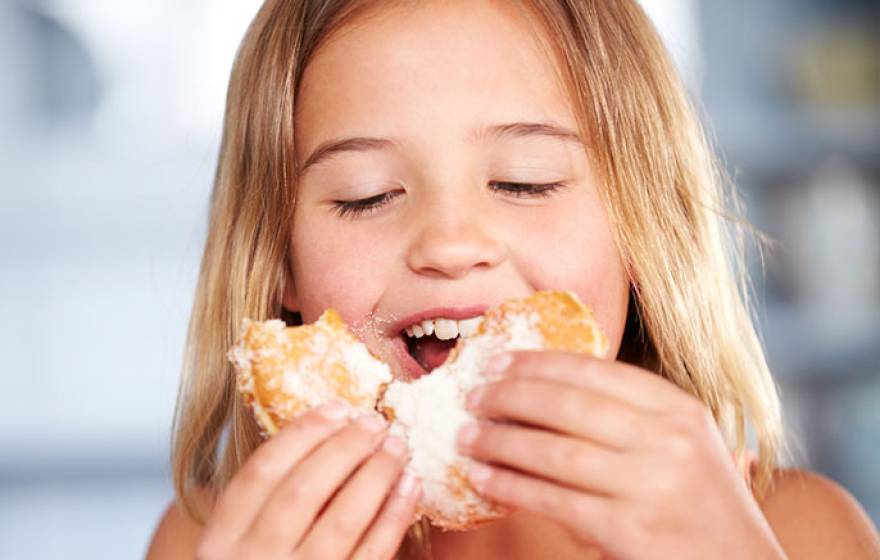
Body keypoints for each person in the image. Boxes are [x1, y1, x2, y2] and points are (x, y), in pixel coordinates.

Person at [146, 0, 880, 558]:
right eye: (367, 195)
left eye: (525, 182)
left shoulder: (798, 533)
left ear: (642, 231)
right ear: (280, 262)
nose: (449, 244)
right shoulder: (207, 539)